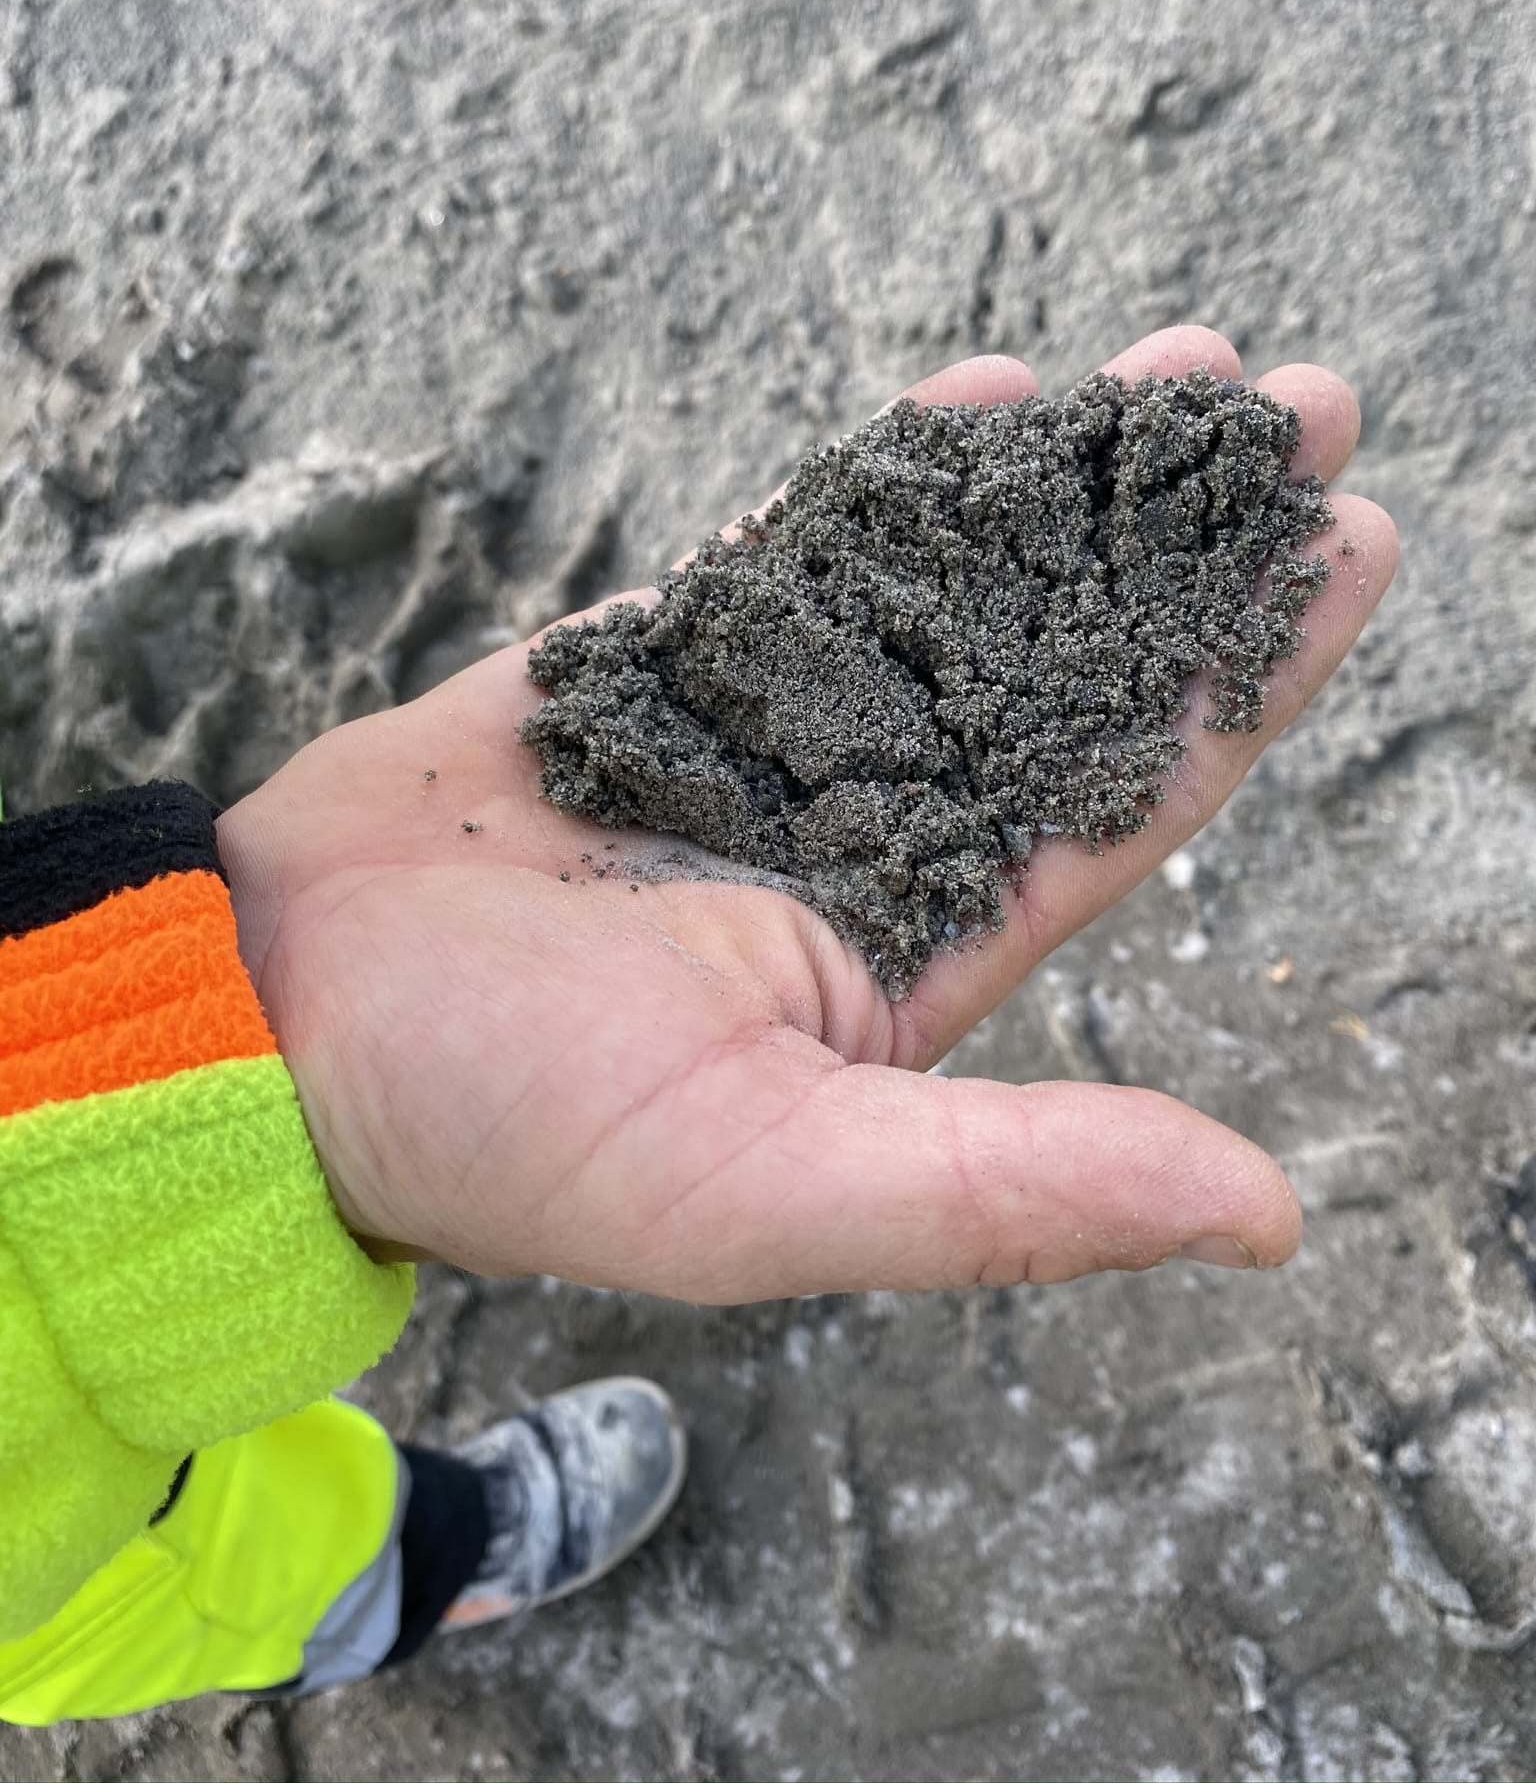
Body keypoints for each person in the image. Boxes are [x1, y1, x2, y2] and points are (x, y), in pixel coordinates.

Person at [0, 329, 1396, 1724]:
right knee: (223, 1593)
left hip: (83, 1169)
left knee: (276, 1499)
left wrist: (232, 1004)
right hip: (51, 1604)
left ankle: (431, 1532)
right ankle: (420, 1577)